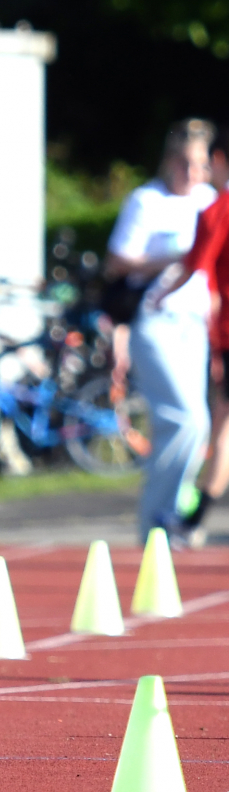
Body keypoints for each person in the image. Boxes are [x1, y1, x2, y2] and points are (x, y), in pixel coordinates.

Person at [106, 120, 216, 543]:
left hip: (195, 326)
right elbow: (119, 260)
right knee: (184, 419)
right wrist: (173, 257)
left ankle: (168, 513)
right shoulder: (147, 201)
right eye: (184, 162)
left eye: (200, 164)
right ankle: (158, 519)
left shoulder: (210, 201)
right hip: (156, 323)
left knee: (197, 425)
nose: (192, 172)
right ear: (170, 161)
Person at [153, 125, 229, 538]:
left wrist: (162, 294)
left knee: (223, 427)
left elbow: (196, 264)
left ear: (218, 161)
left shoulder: (217, 210)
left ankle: (196, 518)